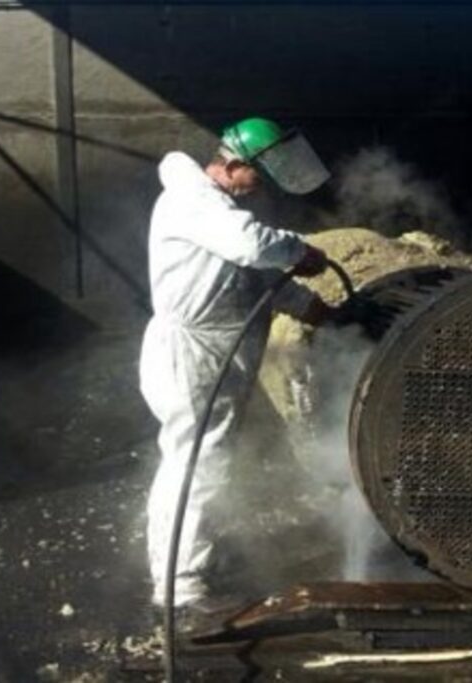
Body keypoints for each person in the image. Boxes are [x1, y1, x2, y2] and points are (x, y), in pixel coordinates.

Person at [139, 117, 333, 613]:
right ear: (232, 165)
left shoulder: (219, 210)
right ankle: (180, 587)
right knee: (196, 465)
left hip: (217, 351)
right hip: (193, 353)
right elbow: (251, 245)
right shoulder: (194, 200)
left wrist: (309, 305)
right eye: (259, 177)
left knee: (204, 460)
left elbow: (247, 278)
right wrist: (300, 250)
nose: (262, 188)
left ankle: (192, 558)